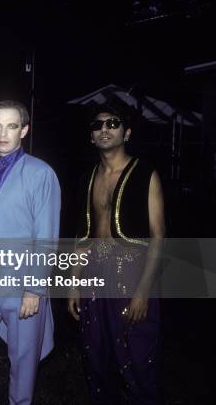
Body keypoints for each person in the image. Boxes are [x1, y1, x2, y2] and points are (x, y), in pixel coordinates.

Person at [0, 100, 60, 405]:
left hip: (23, 279)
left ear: (24, 130)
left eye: (12, 126)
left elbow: (47, 234)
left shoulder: (41, 173)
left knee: (23, 359)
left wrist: (36, 288)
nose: (3, 133)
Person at [68, 103, 165, 404]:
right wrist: (73, 283)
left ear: (127, 132)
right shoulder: (86, 179)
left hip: (133, 273)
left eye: (113, 123)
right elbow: (81, 237)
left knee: (137, 358)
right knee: (95, 355)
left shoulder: (146, 174)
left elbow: (159, 236)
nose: (105, 129)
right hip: (95, 275)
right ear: (91, 137)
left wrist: (143, 292)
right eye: (98, 125)